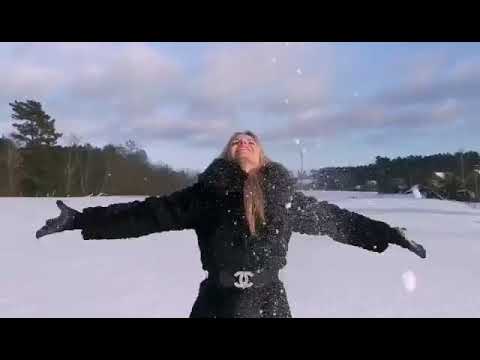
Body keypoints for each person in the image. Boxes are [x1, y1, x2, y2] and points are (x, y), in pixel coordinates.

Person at [36, 130, 426, 318]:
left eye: (251, 140)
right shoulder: (205, 195)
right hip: (216, 303)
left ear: (263, 156)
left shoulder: (283, 198)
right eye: (236, 140)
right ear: (226, 153)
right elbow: (146, 214)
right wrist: (81, 220)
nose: (243, 141)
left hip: (269, 301)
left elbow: (336, 221)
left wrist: (386, 233)